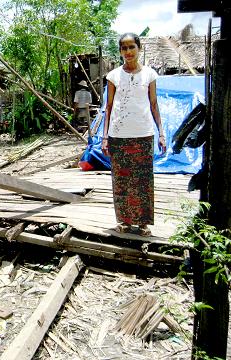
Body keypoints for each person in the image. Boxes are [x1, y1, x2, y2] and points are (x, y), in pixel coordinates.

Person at [101, 32, 166, 237]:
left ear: (139, 48)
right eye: (124, 48)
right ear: (120, 51)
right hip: (118, 136)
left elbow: (154, 104)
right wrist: (104, 137)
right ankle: (125, 221)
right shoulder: (113, 76)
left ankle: (143, 223)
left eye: (132, 47)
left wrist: (161, 133)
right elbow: (109, 107)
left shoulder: (149, 74)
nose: (128, 52)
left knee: (143, 180)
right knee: (121, 179)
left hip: (144, 134)